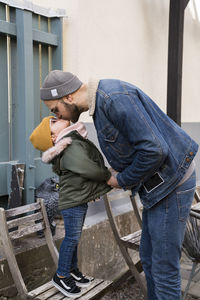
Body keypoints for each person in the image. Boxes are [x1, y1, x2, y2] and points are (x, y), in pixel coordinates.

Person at [39, 70, 199, 300]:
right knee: (150, 260)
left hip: (171, 184)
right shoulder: (101, 104)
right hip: (157, 187)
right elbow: (140, 146)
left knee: (163, 268)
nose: (56, 115)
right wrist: (119, 170)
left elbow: (155, 150)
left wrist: (119, 179)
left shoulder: (112, 98)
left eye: (55, 109)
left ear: (69, 97)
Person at [29, 116, 111, 298]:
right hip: (73, 201)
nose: (57, 117)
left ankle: (72, 270)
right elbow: (88, 168)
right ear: (52, 136)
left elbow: (81, 175)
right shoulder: (71, 146)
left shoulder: (70, 142)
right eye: (54, 121)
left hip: (77, 198)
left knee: (74, 237)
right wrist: (109, 176)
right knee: (72, 238)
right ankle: (61, 275)